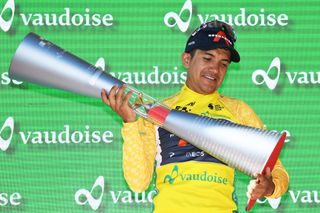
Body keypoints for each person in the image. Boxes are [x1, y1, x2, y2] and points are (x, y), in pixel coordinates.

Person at [101, 20, 289, 213]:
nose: (215, 70)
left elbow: (278, 172)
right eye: (207, 59)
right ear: (187, 60)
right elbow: (138, 182)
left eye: (223, 64)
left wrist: (269, 187)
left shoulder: (238, 111)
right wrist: (130, 123)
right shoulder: (157, 110)